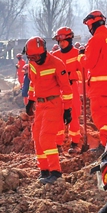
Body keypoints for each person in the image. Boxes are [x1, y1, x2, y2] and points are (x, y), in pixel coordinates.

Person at [24, 36, 73, 184]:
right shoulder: (32, 63)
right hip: (40, 105)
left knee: (46, 137)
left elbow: (66, 88)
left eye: (37, 56)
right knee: (37, 137)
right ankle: (44, 170)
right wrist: (31, 100)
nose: (35, 59)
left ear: (44, 51)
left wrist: (67, 109)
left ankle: (55, 172)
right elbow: (33, 82)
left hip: (53, 104)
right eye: (31, 57)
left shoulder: (56, 64)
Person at [82, 10, 107, 148]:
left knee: (101, 116)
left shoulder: (96, 39)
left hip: (100, 86)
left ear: (92, 25)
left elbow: (89, 63)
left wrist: (81, 57)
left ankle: (106, 145)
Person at [53, 26, 85, 149]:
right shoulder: (55, 55)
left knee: (73, 116)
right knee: (58, 117)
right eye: (59, 41)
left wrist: (70, 75)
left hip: (72, 90)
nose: (61, 44)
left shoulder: (77, 54)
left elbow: (83, 74)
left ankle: (75, 142)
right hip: (59, 91)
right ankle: (58, 143)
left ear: (69, 39)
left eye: (63, 41)